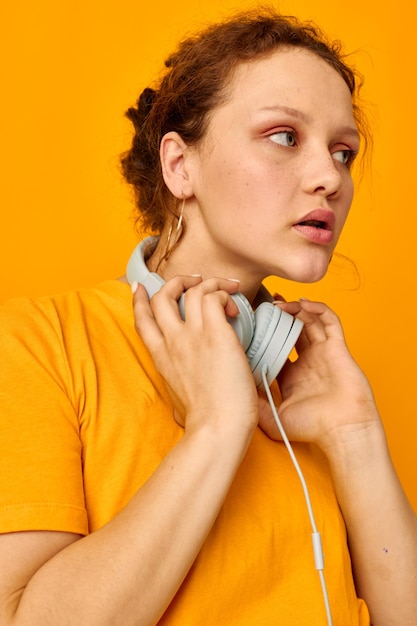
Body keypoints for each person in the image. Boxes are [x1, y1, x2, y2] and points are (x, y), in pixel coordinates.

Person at [0, 7, 416, 625]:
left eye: (344, 152)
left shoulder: (303, 378)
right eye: (284, 136)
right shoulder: (41, 341)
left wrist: (354, 435)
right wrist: (219, 425)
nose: (330, 176)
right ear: (179, 165)